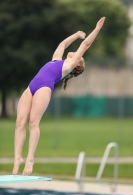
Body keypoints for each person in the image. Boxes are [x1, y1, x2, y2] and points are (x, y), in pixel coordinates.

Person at [12, 17, 106, 175]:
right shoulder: (56, 59)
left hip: (43, 88)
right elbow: (62, 45)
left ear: (77, 63)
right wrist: (76, 34)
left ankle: (30, 160)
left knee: (33, 123)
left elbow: (85, 45)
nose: (75, 53)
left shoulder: (68, 65)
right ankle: (17, 159)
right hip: (31, 87)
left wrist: (96, 29)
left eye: (78, 56)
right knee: (19, 122)